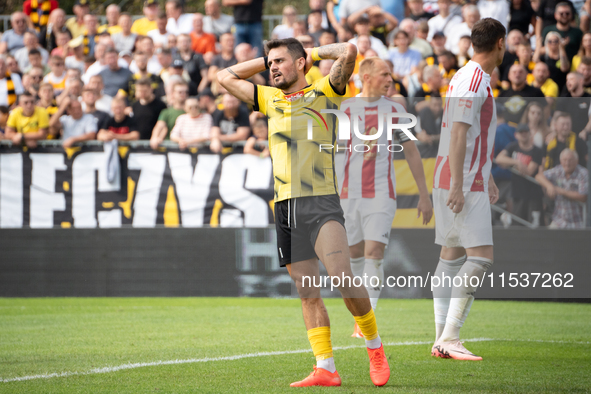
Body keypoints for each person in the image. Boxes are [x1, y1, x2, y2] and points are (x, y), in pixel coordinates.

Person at [218, 37, 390, 387]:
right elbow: (224, 76)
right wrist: (265, 58)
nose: (273, 68)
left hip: (321, 201)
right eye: (271, 64)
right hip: (286, 206)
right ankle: (325, 366)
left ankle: (374, 346)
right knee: (308, 291)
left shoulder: (326, 90)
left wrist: (312, 54)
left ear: (300, 64)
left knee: (342, 277)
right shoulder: (269, 97)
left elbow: (349, 51)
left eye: (281, 61)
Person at [339, 57, 433, 338]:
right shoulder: (346, 109)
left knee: (374, 253)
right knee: (354, 253)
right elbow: (337, 152)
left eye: (391, 74)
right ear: (366, 76)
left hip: (381, 192)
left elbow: (412, 152)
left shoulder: (395, 110)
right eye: (384, 74)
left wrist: (424, 195)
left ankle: (366, 319)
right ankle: (360, 310)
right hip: (348, 194)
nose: (390, 79)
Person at [430, 18, 506, 361]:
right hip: (460, 181)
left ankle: (440, 338)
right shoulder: (474, 79)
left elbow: (471, 133)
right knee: (480, 258)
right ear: (500, 44)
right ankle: (450, 336)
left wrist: (485, 174)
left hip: (457, 176)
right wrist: (461, 185)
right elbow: (459, 133)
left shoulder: (466, 75)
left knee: (450, 256)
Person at [495, 125, 545, 225]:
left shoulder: (536, 150)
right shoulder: (512, 147)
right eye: (521, 132)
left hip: (533, 194)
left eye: (526, 132)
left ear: (530, 134)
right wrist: (517, 162)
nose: (523, 134)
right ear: (516, 135)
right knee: (517, 225)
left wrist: (509, 164)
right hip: (517, 193)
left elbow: (529, 171)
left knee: (534, 225)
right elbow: (499, 159)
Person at [536, 148, 589, 228]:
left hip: (578, 221)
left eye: (570, 160)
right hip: (558, 220)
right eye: (564, 160)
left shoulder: (583, 173)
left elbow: (583, 197)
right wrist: (549, 186)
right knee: (548, 238)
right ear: (560, 161)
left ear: (577, 161)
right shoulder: (558, 170)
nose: (567, 163)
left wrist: (561, 191)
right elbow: (538, 176)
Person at [150, 81, 188, 149]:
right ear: (173, 94)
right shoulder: (166, 112)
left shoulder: (192, 111)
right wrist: (154, 137)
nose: (183, 94)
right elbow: (159, 126)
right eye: (180, 92)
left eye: (185, 92)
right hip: (170, 148)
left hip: (188, 147)